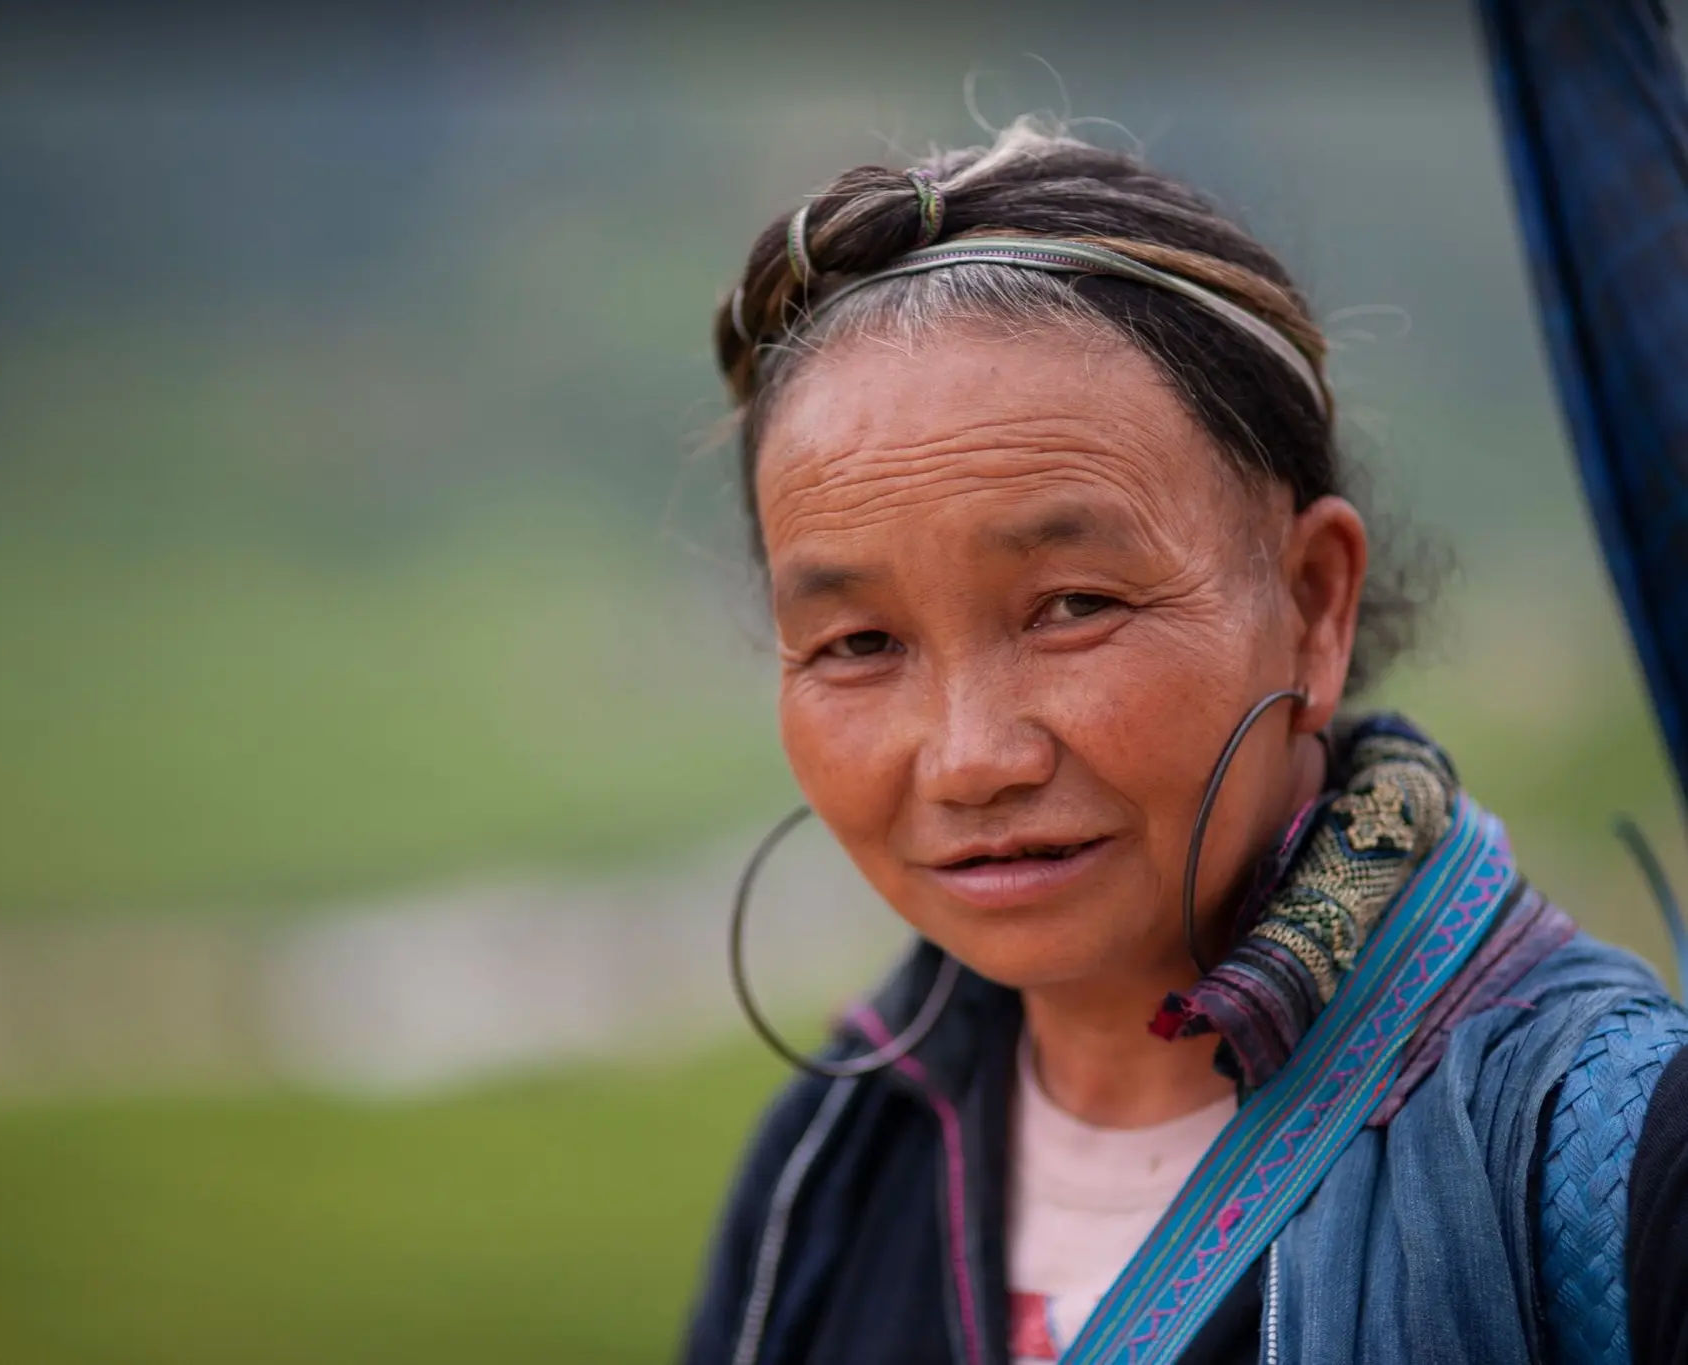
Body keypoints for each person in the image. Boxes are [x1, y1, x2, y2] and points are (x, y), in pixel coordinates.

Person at [680, 117, 1688, 1365]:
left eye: (1076, 608)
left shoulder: (1602, 1152)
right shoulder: (826, 1168)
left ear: (1313, 602)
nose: (968, 759)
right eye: (859, 644)